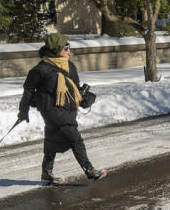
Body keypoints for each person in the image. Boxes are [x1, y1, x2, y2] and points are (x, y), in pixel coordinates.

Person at [18, 33, 106, 184]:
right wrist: (23, 111)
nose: (68, 51)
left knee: (52, 139)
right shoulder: (40, 70)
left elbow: (75, 89)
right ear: (56, 49)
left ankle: (46, 173)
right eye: (66, 48)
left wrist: (85, 99)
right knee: (74, 138)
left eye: (69, 48)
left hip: (67, 109)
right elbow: (28, 90)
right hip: (51, 110)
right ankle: (90, 171)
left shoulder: (69, 66)